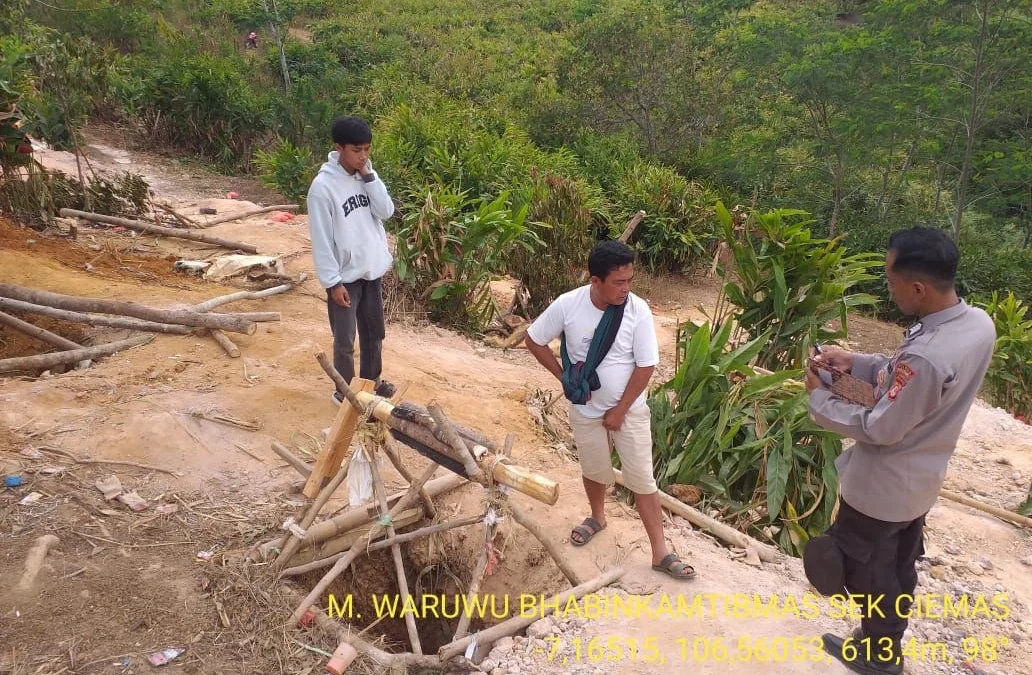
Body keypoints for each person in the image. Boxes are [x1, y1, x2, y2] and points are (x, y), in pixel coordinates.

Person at [803, 226, 996, 675]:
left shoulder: (927, 356)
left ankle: (879, 655)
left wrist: (821, 398)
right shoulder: (975, 324)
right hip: (920, 481)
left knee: (860, 570)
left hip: (882, 488)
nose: (889, 290)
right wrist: (857, 363)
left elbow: (881, 426)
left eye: (891, 281)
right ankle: (879, 643)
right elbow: (902, 380)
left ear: (918, 287)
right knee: (896, 565)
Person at [524, 240, 696, 581]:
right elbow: (534, 339)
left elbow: (645, 367)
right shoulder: (568, 305)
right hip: (585, 409)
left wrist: (619, 410)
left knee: (642, 479)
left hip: (629, 411)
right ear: (595, 280)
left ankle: (660, 551)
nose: (626, 288)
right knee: (594, 468)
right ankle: (598, 517)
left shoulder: (637, 310)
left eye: (630, 280)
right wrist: (564, 378)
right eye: (619, 282)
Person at [307, 116, 397, 402]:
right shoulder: (323, 188)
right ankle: (344, 393)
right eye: (356, 150)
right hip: (345, 279)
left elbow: (386, 211)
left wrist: (370, 178)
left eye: (367, 149)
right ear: (339, 148)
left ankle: (371, 385)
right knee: (345, 341)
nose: (363, 156)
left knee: (374, 334)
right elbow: (321, 239)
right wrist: (332, 282)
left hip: (371, 272)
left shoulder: (367, 175)